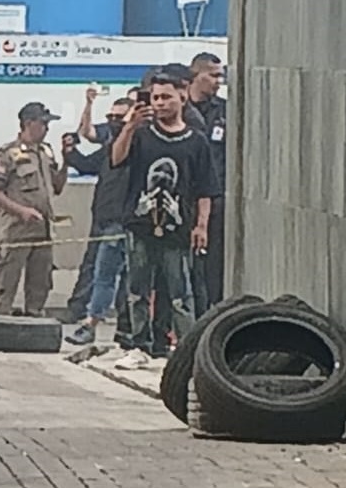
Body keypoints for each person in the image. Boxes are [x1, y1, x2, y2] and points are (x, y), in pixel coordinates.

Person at [111, 72, 218, 370]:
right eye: (155, 97)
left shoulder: (196, 141)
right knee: (138, 290)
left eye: (166, 96)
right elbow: (116, 160)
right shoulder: (142, 135)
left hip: (178, 229)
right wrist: (129, 127)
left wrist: (201, 225)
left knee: (180, 292)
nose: (159, 103)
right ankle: (139, 345)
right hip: (140, 225)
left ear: (181, 96)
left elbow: (205, 188)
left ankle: (187, 350)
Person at [0, 102, 68, 317]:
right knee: (6, 278)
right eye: (43, 123)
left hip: (44, 229)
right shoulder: (9, 153)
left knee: (40, 282)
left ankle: (34, 318)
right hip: (18, 229)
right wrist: (21, 211)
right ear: (28, 124)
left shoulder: (46, 152)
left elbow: (57, 186)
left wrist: (67, 159)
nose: (46, 128)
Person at [65, 85, 139, 321]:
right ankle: (80, 312)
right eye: (110, 117)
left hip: (125, 220)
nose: (113, 121)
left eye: (119, 117)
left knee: (125, 274)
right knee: (93, 269)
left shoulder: (141, 147)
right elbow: (86, 157)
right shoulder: (109, 148)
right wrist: (69, 151)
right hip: (102, 216)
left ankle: (124, 319)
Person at [188, 52, 226, 312]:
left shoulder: (224, 112)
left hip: (215, 200)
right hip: (184, 200)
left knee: (213, 267)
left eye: (220, 75)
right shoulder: (178, 112)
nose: (218, 81)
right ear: (195, 75)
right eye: (212, 75)